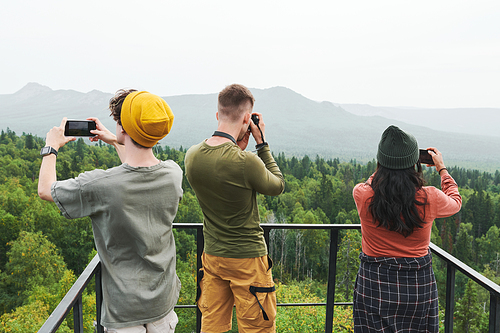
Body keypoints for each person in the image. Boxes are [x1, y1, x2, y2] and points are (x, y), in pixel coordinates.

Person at [38, 89, 183, 332]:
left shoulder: (101, 185)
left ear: (124, 127)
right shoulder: (173, 173)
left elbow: (45, 189)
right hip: (163, 302)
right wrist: (117, 138)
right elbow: (136, 169)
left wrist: (51, 147)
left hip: (124, 310)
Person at [184, 84, 285, 333]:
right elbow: (278, 185)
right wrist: (261, 144)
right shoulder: (247, 161)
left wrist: (236, 147)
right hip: (248, 259)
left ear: (218, 115)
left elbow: (222, 168)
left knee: (212, 326)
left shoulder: (192, 156)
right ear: (247, 119)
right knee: (257, 327)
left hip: (213, 257)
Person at [352, 125, 462, 332]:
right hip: (417, 286)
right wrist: (442, 169)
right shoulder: (430, 197)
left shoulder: (362, 194)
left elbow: (372, 182)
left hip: (373, 283)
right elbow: (455, 201)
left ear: (380, 161)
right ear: (415, 162)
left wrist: (384, 165)